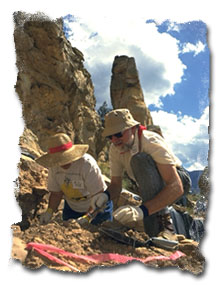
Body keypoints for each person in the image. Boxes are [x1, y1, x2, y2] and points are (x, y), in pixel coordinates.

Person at [90, 109, 191, 238]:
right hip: (147, 185)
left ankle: (166, 228)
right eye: (110, 137)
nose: (115, 140)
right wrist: (105, 196)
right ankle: (155, 234)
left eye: (119, 134)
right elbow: (116, 185)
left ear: (132, 128)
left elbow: (176, 186)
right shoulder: (115, 149)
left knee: (139, 160)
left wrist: (140, 211)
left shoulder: (150, 141)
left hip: (177, 180)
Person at [36, 133, 113, 225]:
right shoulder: (54, 167)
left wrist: (87, 217)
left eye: (65, 158)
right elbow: (56, 194)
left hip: (97, 207)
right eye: (59, 160)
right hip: (72, 207)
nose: (63, 163)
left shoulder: (86, 164)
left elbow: (98, 195)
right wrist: (49, 212)